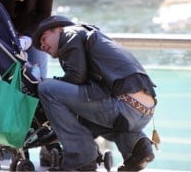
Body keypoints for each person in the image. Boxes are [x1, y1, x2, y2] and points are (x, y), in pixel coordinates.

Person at [32, 15, 157, 171]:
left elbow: (76, 77)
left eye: (43, 39)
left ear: (58, 29)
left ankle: (81, 157)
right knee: (78, 115)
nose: (42, 46)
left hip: (123, 106)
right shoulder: (89, 35)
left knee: (47, 88)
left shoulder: (69, 34)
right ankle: (137, 148)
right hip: (143, 110)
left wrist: (50, 81)